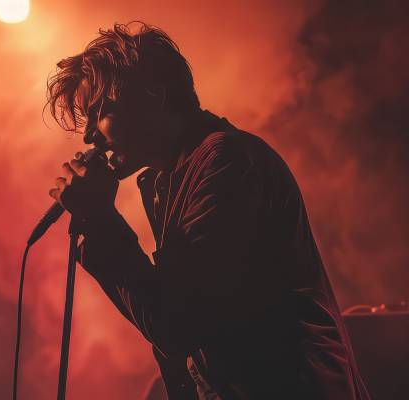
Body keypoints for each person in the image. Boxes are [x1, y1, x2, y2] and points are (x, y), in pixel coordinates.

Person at [45, 22, 369, 400]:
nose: (89, 137)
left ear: (153, 95)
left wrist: (101, 222)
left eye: (100, 111)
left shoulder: (226, 163)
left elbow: (177, 324)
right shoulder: (171, 180)